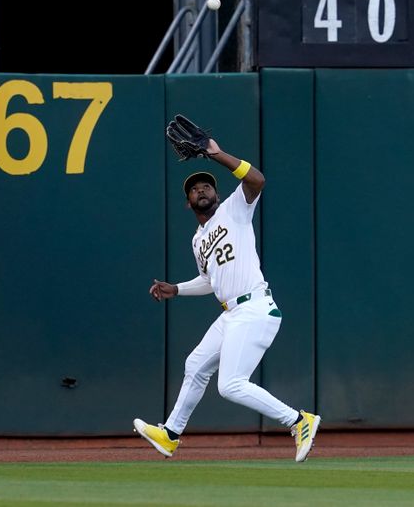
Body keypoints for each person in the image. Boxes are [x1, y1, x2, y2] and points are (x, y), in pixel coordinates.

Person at [133, 137, 321, 463]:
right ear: (188, 204)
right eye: (195, 189)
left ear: (217, 195)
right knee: (195, 365)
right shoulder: (198, 240)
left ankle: (299, 420)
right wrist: (176, 289)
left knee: (231, 385)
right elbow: (209, 281)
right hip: (231, 313)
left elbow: (257, 179)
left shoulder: (235, 209)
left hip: (254, 307)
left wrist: (217, 155)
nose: (202, 190)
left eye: (207, 186)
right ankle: (171, 434)